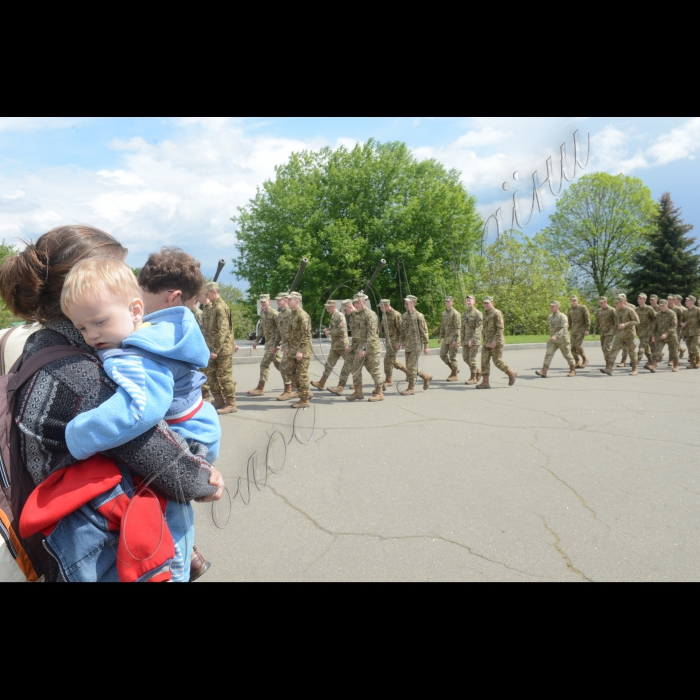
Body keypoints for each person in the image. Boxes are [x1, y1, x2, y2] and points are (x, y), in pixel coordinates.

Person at [0, 227, 224, 583]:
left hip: (72, 526)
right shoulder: (80, 373)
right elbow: (151, 449)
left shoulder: (46, 343)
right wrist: (203, 478)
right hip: (99, 541)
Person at [59, 258, 222, 582]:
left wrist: (77, 434)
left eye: (100, 322)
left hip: (186, 434)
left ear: (135, 311)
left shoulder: (135, 355)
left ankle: (175, 571)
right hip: (199, 423)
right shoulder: (152, 334)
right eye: (81, 328)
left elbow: (140, 409)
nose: (91, 335)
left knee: (172, 513)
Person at [201, 282, 238, 414]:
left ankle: (231, 403)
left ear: (214, 292)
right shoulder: (213, 307)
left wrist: (216, 350)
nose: (206, 296)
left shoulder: (221, 308)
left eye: (208, 293)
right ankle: (219, 400)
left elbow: (223, 331)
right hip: (213, 348)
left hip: (222, 349)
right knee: (211, 375)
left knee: (225, 377)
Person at [346, 293, 384, 402]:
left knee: (374, 369)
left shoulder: (370, 315)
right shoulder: (358, 315)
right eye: (355, 303)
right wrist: (352, 345)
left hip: (371, 348)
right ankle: (358, 392)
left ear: (364, 302)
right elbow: (357, 334)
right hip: (361, 347)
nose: (356, 304)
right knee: (355, 367)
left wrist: (363, 348)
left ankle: (379, 393)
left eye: (358, 302)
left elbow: (371, 335)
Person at [477, 297, 517, 389]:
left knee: (497, 361)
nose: (486, 305)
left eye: (488, 303)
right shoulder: (485, 314)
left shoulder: (497, 313)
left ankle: (511, 373)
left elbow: (500, 329)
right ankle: (485, 382)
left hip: (496, 342)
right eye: (484, 303)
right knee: (484, 361)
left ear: (492, 303)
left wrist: (495, 341)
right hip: (487, 342)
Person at [248, 294, 281, 397]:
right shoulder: (263, 314)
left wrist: (279, 343)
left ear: (269, 302)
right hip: (268, 342)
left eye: (265, 302)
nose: (263, 304)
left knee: (264, 364)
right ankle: (293, 381)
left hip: (274, 343)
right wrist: (257, 341)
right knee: (279, 364)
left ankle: (260, 388)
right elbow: (262, 329)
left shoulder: (275, 314)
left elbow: (281, 329)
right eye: (261, 302)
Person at [398, 295, 431, 396]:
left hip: (416, 344)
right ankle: (425, 376)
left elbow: (424, 332)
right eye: (405, 303)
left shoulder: (419, 316)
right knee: (409, 366)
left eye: (408, 303)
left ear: (414, 303)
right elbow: (403, 331)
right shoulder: (404, 316)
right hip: (408, 345)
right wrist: (401, 342)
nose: (406, 305)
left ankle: (411, 388)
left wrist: (426, 346)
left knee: (411, 366)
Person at [312, 300, 348, 391]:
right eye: (327, 308)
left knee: (350, 364)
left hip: (343, 346)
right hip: (335, 346)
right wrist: (328, 329)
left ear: (333, 306)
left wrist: (330, 332)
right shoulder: (333, 316)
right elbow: (336, 328)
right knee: (328, 365)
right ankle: (321, 383)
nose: (327, 310)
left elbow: (342, 330)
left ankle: (357, 384)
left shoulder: (339, 315)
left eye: (328, 308)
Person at [601, 295, 640, 376]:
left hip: (629, 335)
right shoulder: (617, 311)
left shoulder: (629, 310)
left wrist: (625, 325)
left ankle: (634, 369)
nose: (616, 304)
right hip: (619, 335)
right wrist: (614, 331)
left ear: (623, 302)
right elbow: (616, 323)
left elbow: (637, 321)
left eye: (617, 303)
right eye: (615, 303)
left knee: (632, 352)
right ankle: (609, 368)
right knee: (614, 350)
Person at [536, 302, 576, 378]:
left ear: (557, 307)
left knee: (567, 355)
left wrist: (556, 336)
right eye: (550, 307)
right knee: (548, 354)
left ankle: (572, 370)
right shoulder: (550, 317)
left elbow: (564, 328)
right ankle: (544, 371)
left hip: (562, 340)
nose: (551, 308)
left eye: (553, 307)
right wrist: (552, 337)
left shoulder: (562, 316)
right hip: (553, 340)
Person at [286, 292, 312, 409]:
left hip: (303, 350)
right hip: (293, 349)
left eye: (290, 300)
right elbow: (291, 334)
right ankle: (304, 391)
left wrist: (300, 351)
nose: (288, 302)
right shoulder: (292, 314)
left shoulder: (303, 315)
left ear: (297, 301)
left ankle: (304, 399)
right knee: (287, 369)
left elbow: (306, 335)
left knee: (302, 375)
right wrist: (288, 348)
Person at [328, 300, 357, 396]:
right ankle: (340, 388)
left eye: (345, 309)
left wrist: (359, 347)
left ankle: (380, 387)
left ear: (350, 306)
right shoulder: (352, 317)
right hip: (353, 345)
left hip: (363, 346)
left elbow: (363, 334)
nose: (344, 312)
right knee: (348, 366)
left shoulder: (359, 316)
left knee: (371, 368)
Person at [377, 299, 408, 388]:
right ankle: (408, 371)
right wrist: (377, 330)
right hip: (388, 341)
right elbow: (382, 327)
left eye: (382, 307)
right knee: (392, 360)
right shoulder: (384, 315)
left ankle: (389, 380)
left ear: (387, 306)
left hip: (395, 341)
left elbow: (402, 329)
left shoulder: (396, 315)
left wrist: (402, 342)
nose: (380, 309)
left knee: (387, 359)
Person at [649, 300, 679, 372]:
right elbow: (655, 326)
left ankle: (676, 365)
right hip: (659, 335)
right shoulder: (658, 314)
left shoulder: (672, 313)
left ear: (667, 305)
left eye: (663, 306)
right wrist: (653, 335)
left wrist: (666, 334)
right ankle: (653, 366)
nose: (661, 307)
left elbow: (674, 325)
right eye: (660, 306)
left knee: (674, 351)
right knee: (657, 350)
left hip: (671, 335)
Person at [275, 293, 295, 401]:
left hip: (291, 345)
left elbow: (294, 331)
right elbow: (278, 331)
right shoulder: (280, 314)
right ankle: (301, 390)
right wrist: (276, 344)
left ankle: (289, 390)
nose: (278, 302)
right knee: (291, 368)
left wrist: (290, 347)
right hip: (285, 345)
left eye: (280, 300)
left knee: (284, 367)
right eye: (277, 300)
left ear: (286, 300)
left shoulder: (290, 313)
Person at [460, 294, 483, 385]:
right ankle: (478, 370)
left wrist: (472, 339)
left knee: (472, 358)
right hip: (466, 339)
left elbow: (479, 328)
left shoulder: (478, 313)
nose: (468, 302)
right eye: (467, 301)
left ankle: (473, 377)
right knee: (465, 358)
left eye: (470, 300)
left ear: (474, 302)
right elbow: (463, 328)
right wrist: (461, 340)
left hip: (474, 340)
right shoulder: (465, 314)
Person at [437, 296, 461, 381]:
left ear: (452, 302)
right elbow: (443, 326)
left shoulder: (455, 313)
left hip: (454, 338)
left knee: (452, 356)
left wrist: (455, 340)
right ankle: (454, 369)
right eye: (446, 301)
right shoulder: (444, 313)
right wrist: (440, 337)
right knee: (442, 354)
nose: (447, 302)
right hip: (446, 338)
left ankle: (454, 375)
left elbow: (458, 328)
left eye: (448, 301)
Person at [567, 297, 591, 369]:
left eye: (575, 300)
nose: (574, 302)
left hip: (582, 329)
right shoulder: (570, 309)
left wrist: (587, 329)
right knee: (572, 347)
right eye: (572, 300)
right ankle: (577, 362)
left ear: (578, 301)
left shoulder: (582, 308)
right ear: (570, 301)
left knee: (578, 345)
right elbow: (569, 320)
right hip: (574, 329)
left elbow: (587, 318)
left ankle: (585, 359)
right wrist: (567, 329)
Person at [616, 293, 637, 368]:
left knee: (631, 348)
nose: (619, 300)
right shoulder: (618, 307)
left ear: (625, 299)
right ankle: (623, 361)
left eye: (621, 298)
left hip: (630, 330)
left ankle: (633, 362)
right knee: (624, 348)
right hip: (621, 331)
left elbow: (635, 320)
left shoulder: (632, 307)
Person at [635, 294, 657, 368]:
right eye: (638, 299)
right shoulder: (636, 310)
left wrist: (652, 328)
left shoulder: (649, 309)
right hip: (640, 332)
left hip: (648, 332)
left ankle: (636, 362)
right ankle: (651, 361)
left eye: (641, 299)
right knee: (646, 348)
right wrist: (636, 330)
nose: (639, 300)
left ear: (644, 300)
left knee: (642, 347)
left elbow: (656, 318)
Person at [594, 297, 617, 361]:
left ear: (606, 302)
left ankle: (609, 363)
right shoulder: (599, 311)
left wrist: (616, 331)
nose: (600, 304)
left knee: (606, 347)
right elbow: (597, 321)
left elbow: (616, 321)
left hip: (610, 331)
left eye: (601, 303)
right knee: (603, 348)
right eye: (599, 303)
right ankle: (608, 361)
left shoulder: (612, 310)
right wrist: (594, 331)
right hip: (602, 332)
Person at [682, 296, 700, 369]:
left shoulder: (698, 310)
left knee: (694, 347)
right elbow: (682, 320)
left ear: (692, 302)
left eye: (687, 301)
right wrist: (682, 323)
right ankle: (692, 362)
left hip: (696, 332)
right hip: (687, 332)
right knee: (689, 348)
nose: (685, 302)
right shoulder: (685, 311)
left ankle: (698, 361)